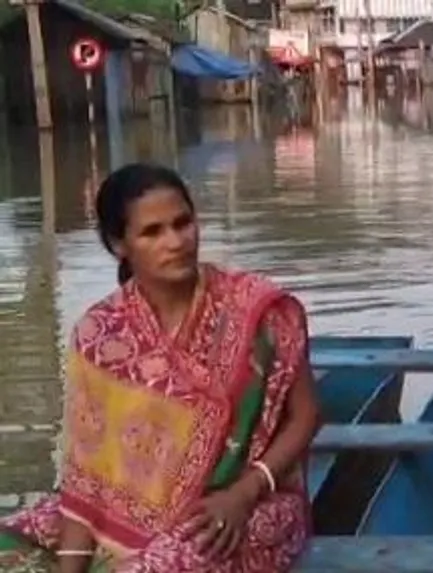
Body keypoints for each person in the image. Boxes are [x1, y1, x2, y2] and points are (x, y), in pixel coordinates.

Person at [0, 164, 321, 572]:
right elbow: (88, 478)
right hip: (129, 501)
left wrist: (244, 492)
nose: (176, 241)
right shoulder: (101, 333)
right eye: (152, 232)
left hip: (243, 504)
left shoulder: (255, 308)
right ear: (120, 244)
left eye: (182, 223)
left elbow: (307, 415)